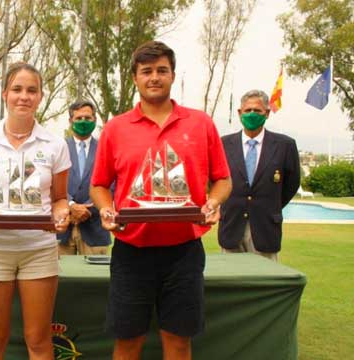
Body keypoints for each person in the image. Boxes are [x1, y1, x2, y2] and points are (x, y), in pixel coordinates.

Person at [89, 41, 232, 360]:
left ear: (173, 75)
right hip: (131, 252)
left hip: (184, 251)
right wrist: (105, 207)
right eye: (147, 71)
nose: (154, 77)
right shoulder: (115, 128)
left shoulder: (200, 123)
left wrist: (213, 201)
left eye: (161, 70)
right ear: (135, 78)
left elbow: (223, 179)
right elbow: (99, 184)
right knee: (127, 342)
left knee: (179, 342)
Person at [0, 62, 71, 359]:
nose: (24, 96)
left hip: (39, 248)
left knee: (38, 339)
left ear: (41, 96)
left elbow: (59, 198)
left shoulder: (56, 144)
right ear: (5, 93)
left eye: (32, 90)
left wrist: (61, 214)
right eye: (17, 89)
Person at [218, 90, 301, 261]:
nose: (252, 114)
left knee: (265, 284)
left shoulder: (285, 145)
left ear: (267, 113)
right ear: (240, 113)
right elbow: (216, 180)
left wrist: (271, 205)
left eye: (257, 110)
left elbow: (291, 184)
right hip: (231, 226)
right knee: (232, 284)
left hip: (266, 227)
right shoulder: (223, 144)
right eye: (247, 111)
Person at [57, 100, 111, 255]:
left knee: (93, 279)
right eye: (78, 118)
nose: (83, 122)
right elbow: (51, 184)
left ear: (95, 120)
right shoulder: (59, 148)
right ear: (70, 121)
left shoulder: (105, 149)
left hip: (95, 229)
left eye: (87, 118)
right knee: (61, 278)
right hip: (62, 231)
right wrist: (71, 205)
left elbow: (112, 185)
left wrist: (88, 208)